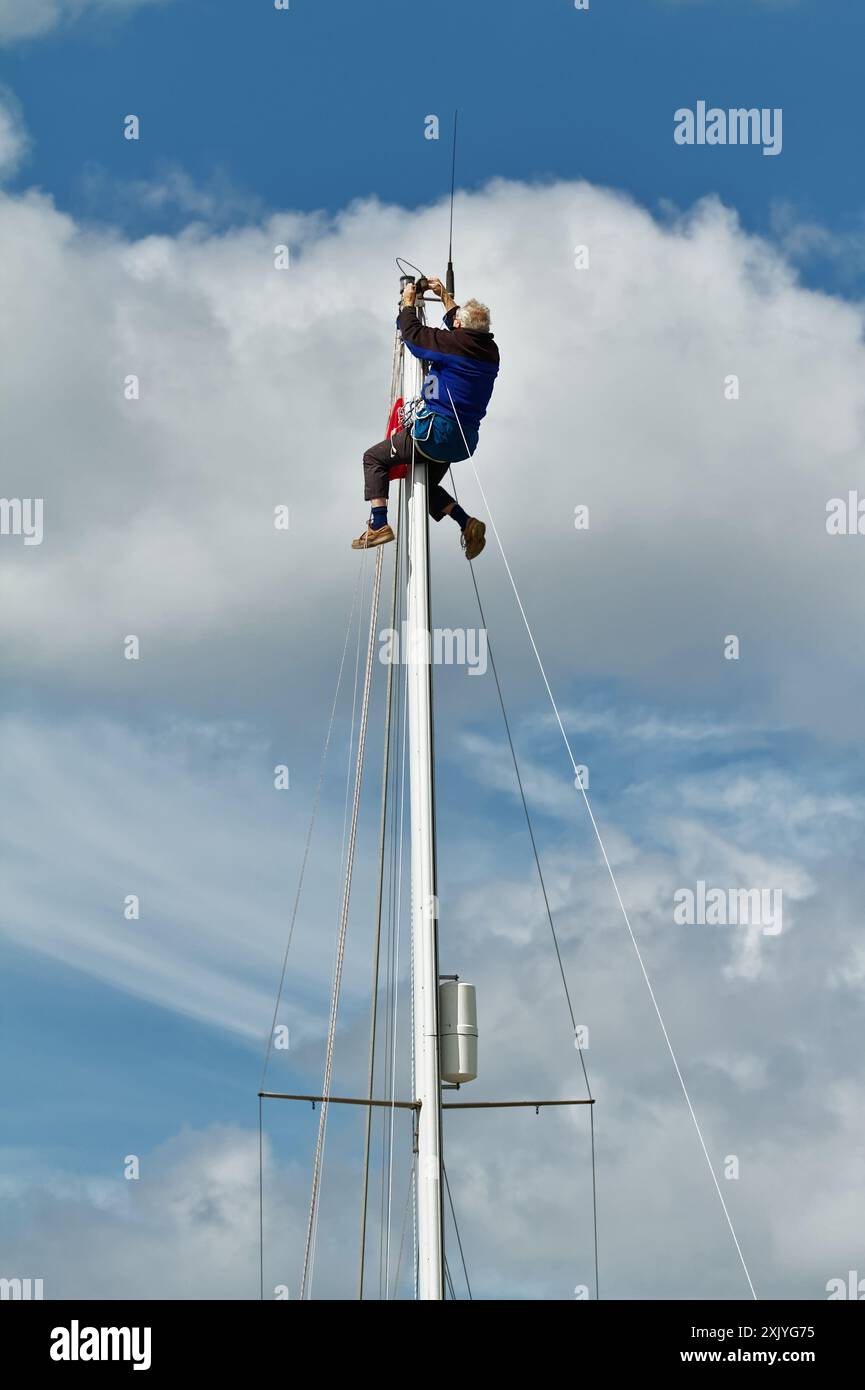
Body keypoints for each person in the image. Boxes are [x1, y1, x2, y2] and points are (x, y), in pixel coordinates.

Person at [352, 275, 500, 560]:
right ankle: (465, 522)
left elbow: (414, 336)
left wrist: (408, 305)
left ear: (459, 326)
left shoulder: (451, 344)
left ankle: (379, 524)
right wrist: (443, 295)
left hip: (435, 432)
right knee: (424, 488)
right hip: (463, 441)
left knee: (373, 458)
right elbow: (462, 323)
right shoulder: (490, 351)